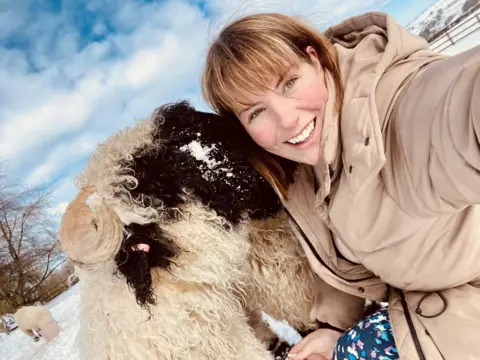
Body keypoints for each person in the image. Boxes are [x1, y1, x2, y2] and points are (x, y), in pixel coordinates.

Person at [201, 11, 480, 360]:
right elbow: (336, 236)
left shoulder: (389, 112)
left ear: (315, 60)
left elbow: (454, 107)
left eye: (289, 82)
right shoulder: (302, 168)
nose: (286, 120)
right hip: (441, 298)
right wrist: (333, 329)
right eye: (256, 112)